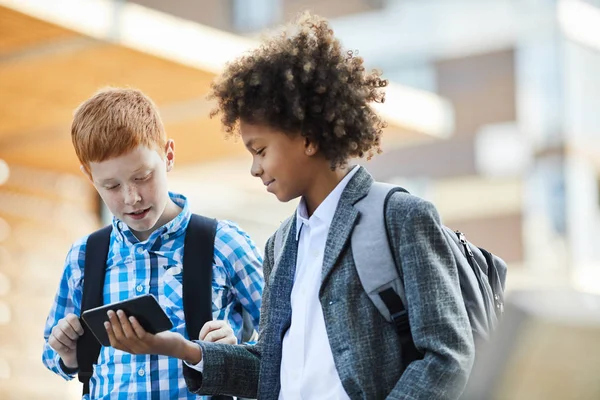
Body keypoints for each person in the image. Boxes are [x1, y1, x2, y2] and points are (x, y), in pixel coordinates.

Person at [106, 12, 475, 400]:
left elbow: (447, 356)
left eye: (261, 150)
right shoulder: (281, 245)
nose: (254, 168)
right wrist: (180, 348)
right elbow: (270, 369)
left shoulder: (400, 217)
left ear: (309, 137)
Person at [42, 87, 264, 399]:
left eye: (142, 177)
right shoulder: (84, 256)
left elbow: (285, 344)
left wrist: (230, 352)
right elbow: (52, 356)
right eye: (111, 185)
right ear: (89, 177)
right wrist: (66, 354)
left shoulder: (224, 244)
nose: (132, 197)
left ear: (168, 156)